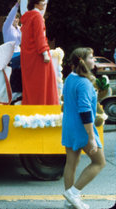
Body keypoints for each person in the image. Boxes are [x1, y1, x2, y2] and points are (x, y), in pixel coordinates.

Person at [62, 47, 106, 209]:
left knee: (71, 163)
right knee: (99, 162)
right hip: (82, 128)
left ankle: (69, 201)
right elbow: (85, 110)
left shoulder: (70, 79)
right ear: (83, 61)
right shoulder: (84, 82)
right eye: (92, 57)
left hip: (69, 126)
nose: (94, 60)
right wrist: (91, 137)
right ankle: (73, 193)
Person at [20, 0, 59, 105]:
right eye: (43, 2)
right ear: (37, 4)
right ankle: (45, 105)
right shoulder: (37, 17)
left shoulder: (27, 17)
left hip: (28, 55)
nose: (45, 5)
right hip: (38, 54)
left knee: (31, 84)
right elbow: (40, 36)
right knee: (45, 82)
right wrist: (44, 53)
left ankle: (31, 105)